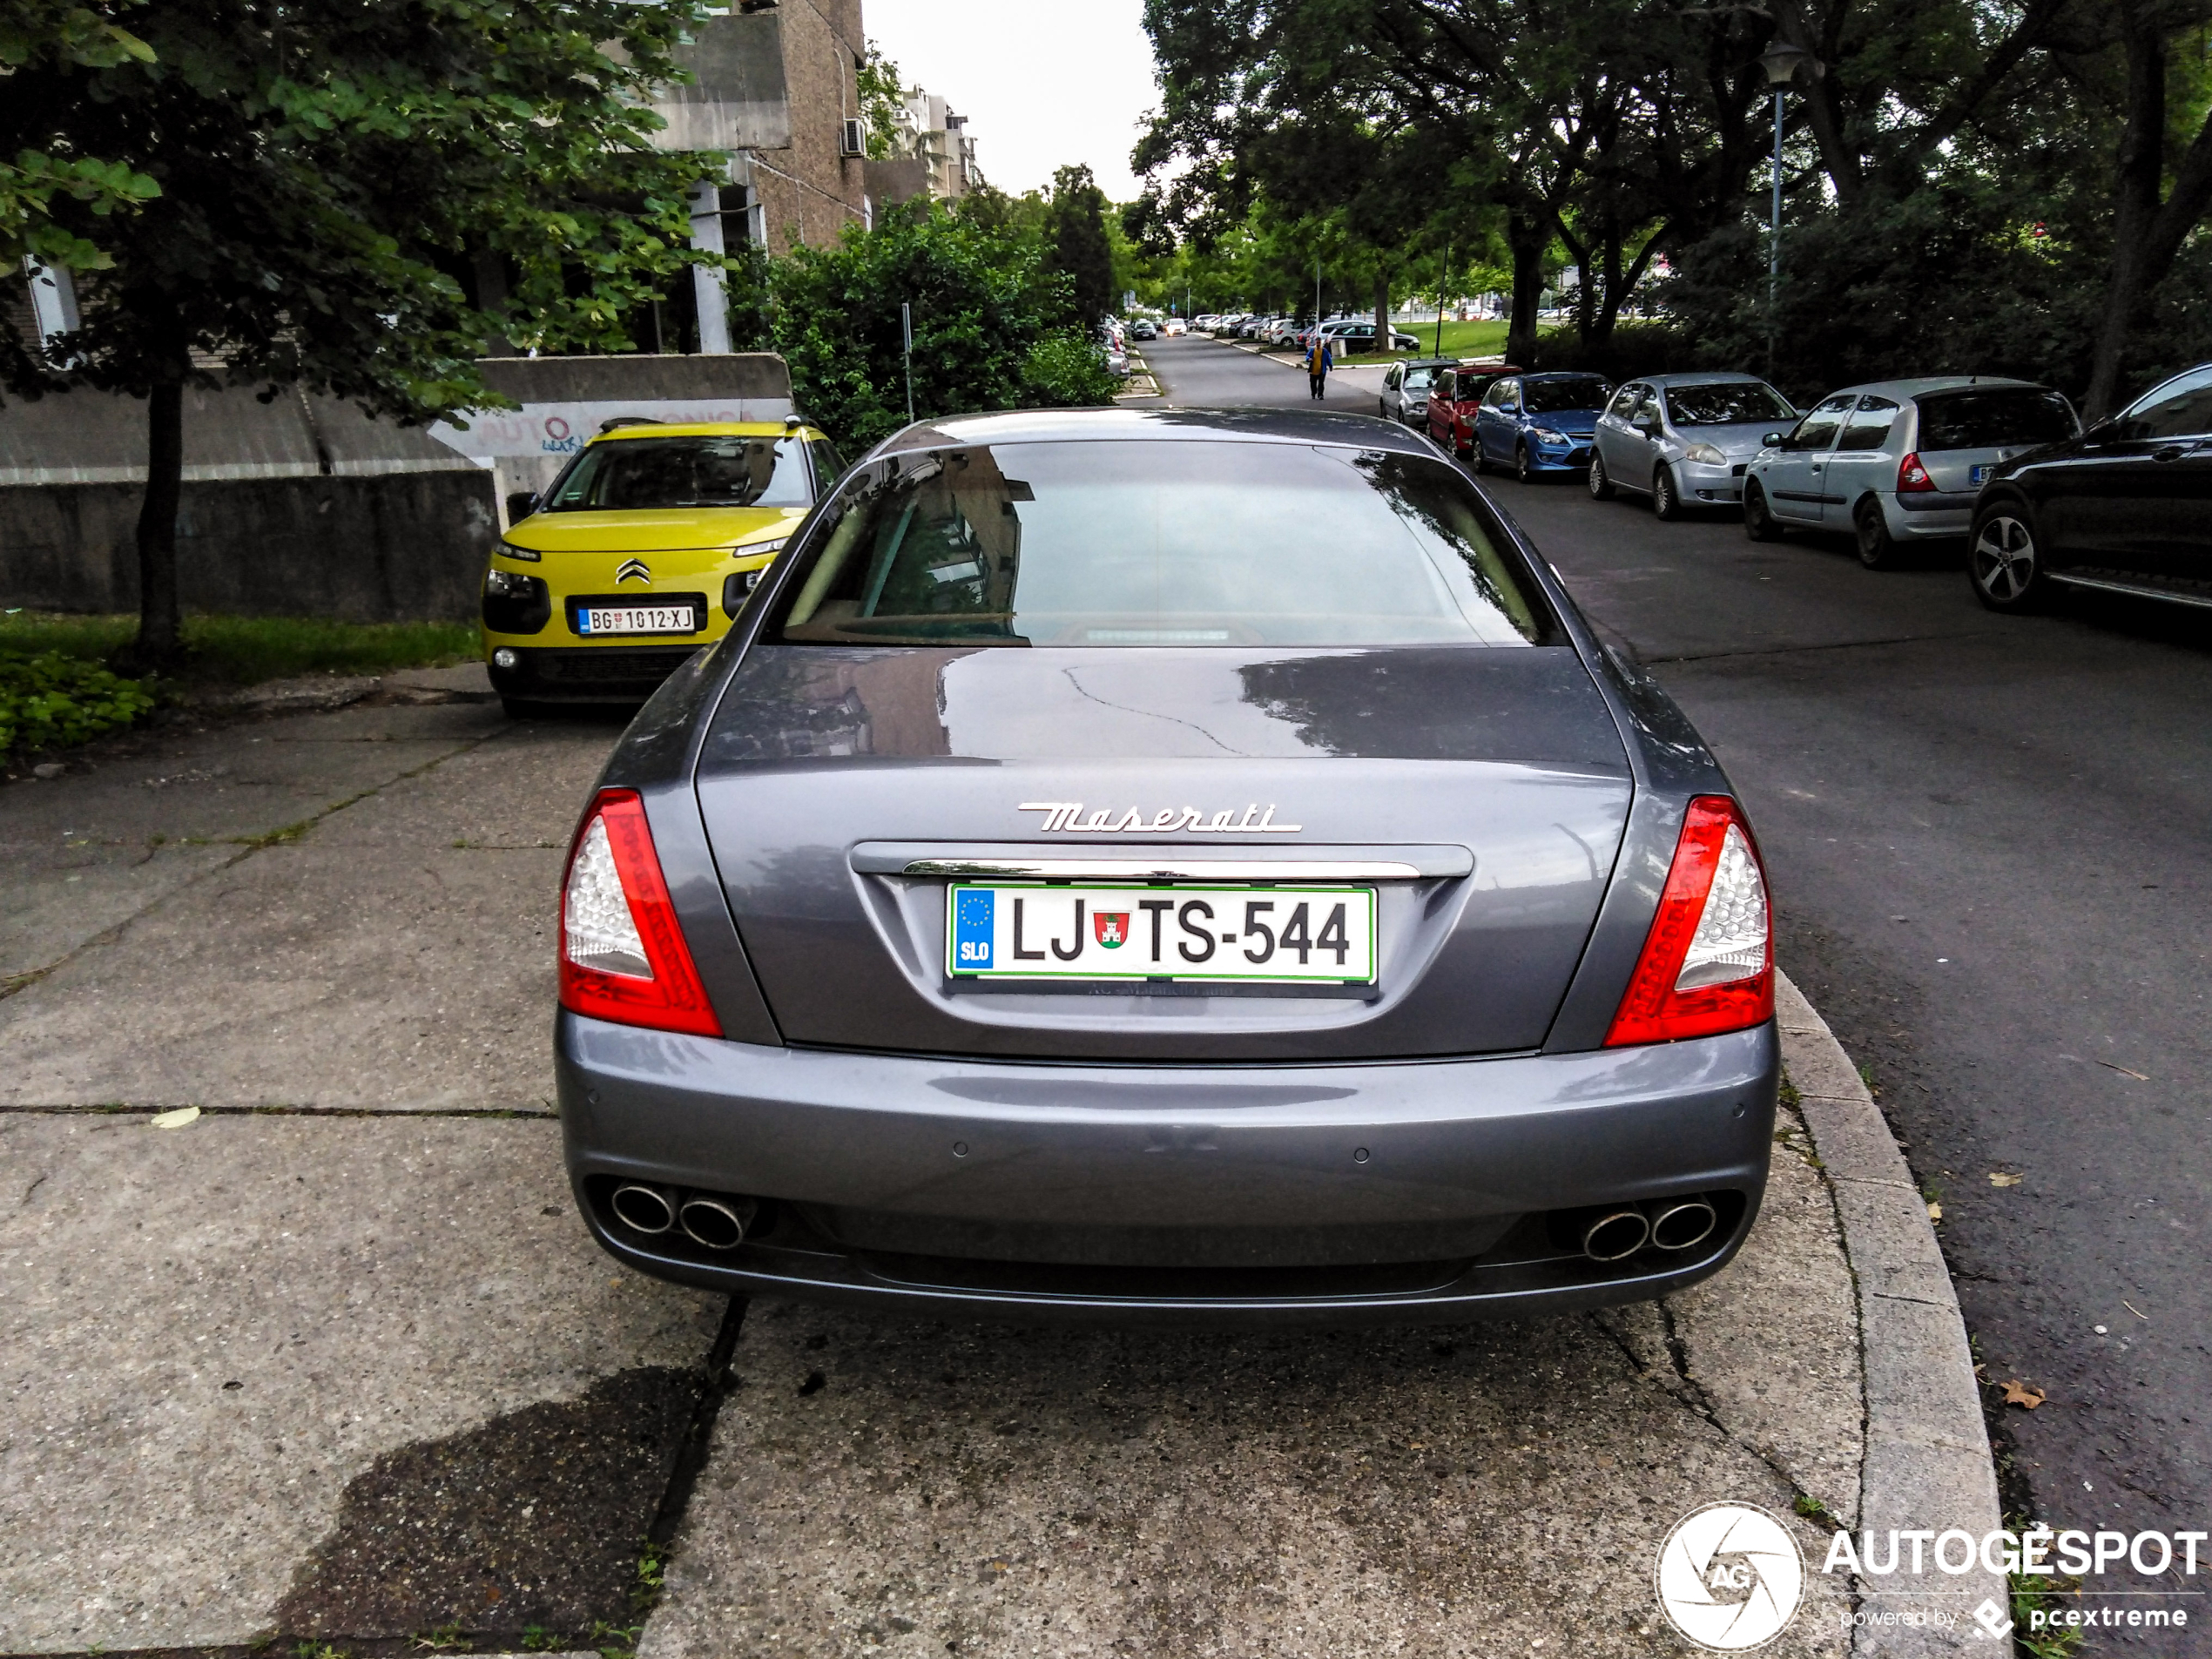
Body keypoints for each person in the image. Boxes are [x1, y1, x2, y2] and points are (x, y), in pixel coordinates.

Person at [1305, 331, 1332, 400]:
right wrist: (1309, 359)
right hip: (1313, 370)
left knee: (1321, 383)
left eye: (1319, 343)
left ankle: (1320, 394)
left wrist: (1330, 365)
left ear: (1321, 343)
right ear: (1315, 343)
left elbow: (1328, 358)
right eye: (1317, 343)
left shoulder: (1324, 351)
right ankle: (1313, 394)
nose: (1318, 344)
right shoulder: (1312, 350)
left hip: (1321, 370)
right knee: (1313, 384)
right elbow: (1307, 356)